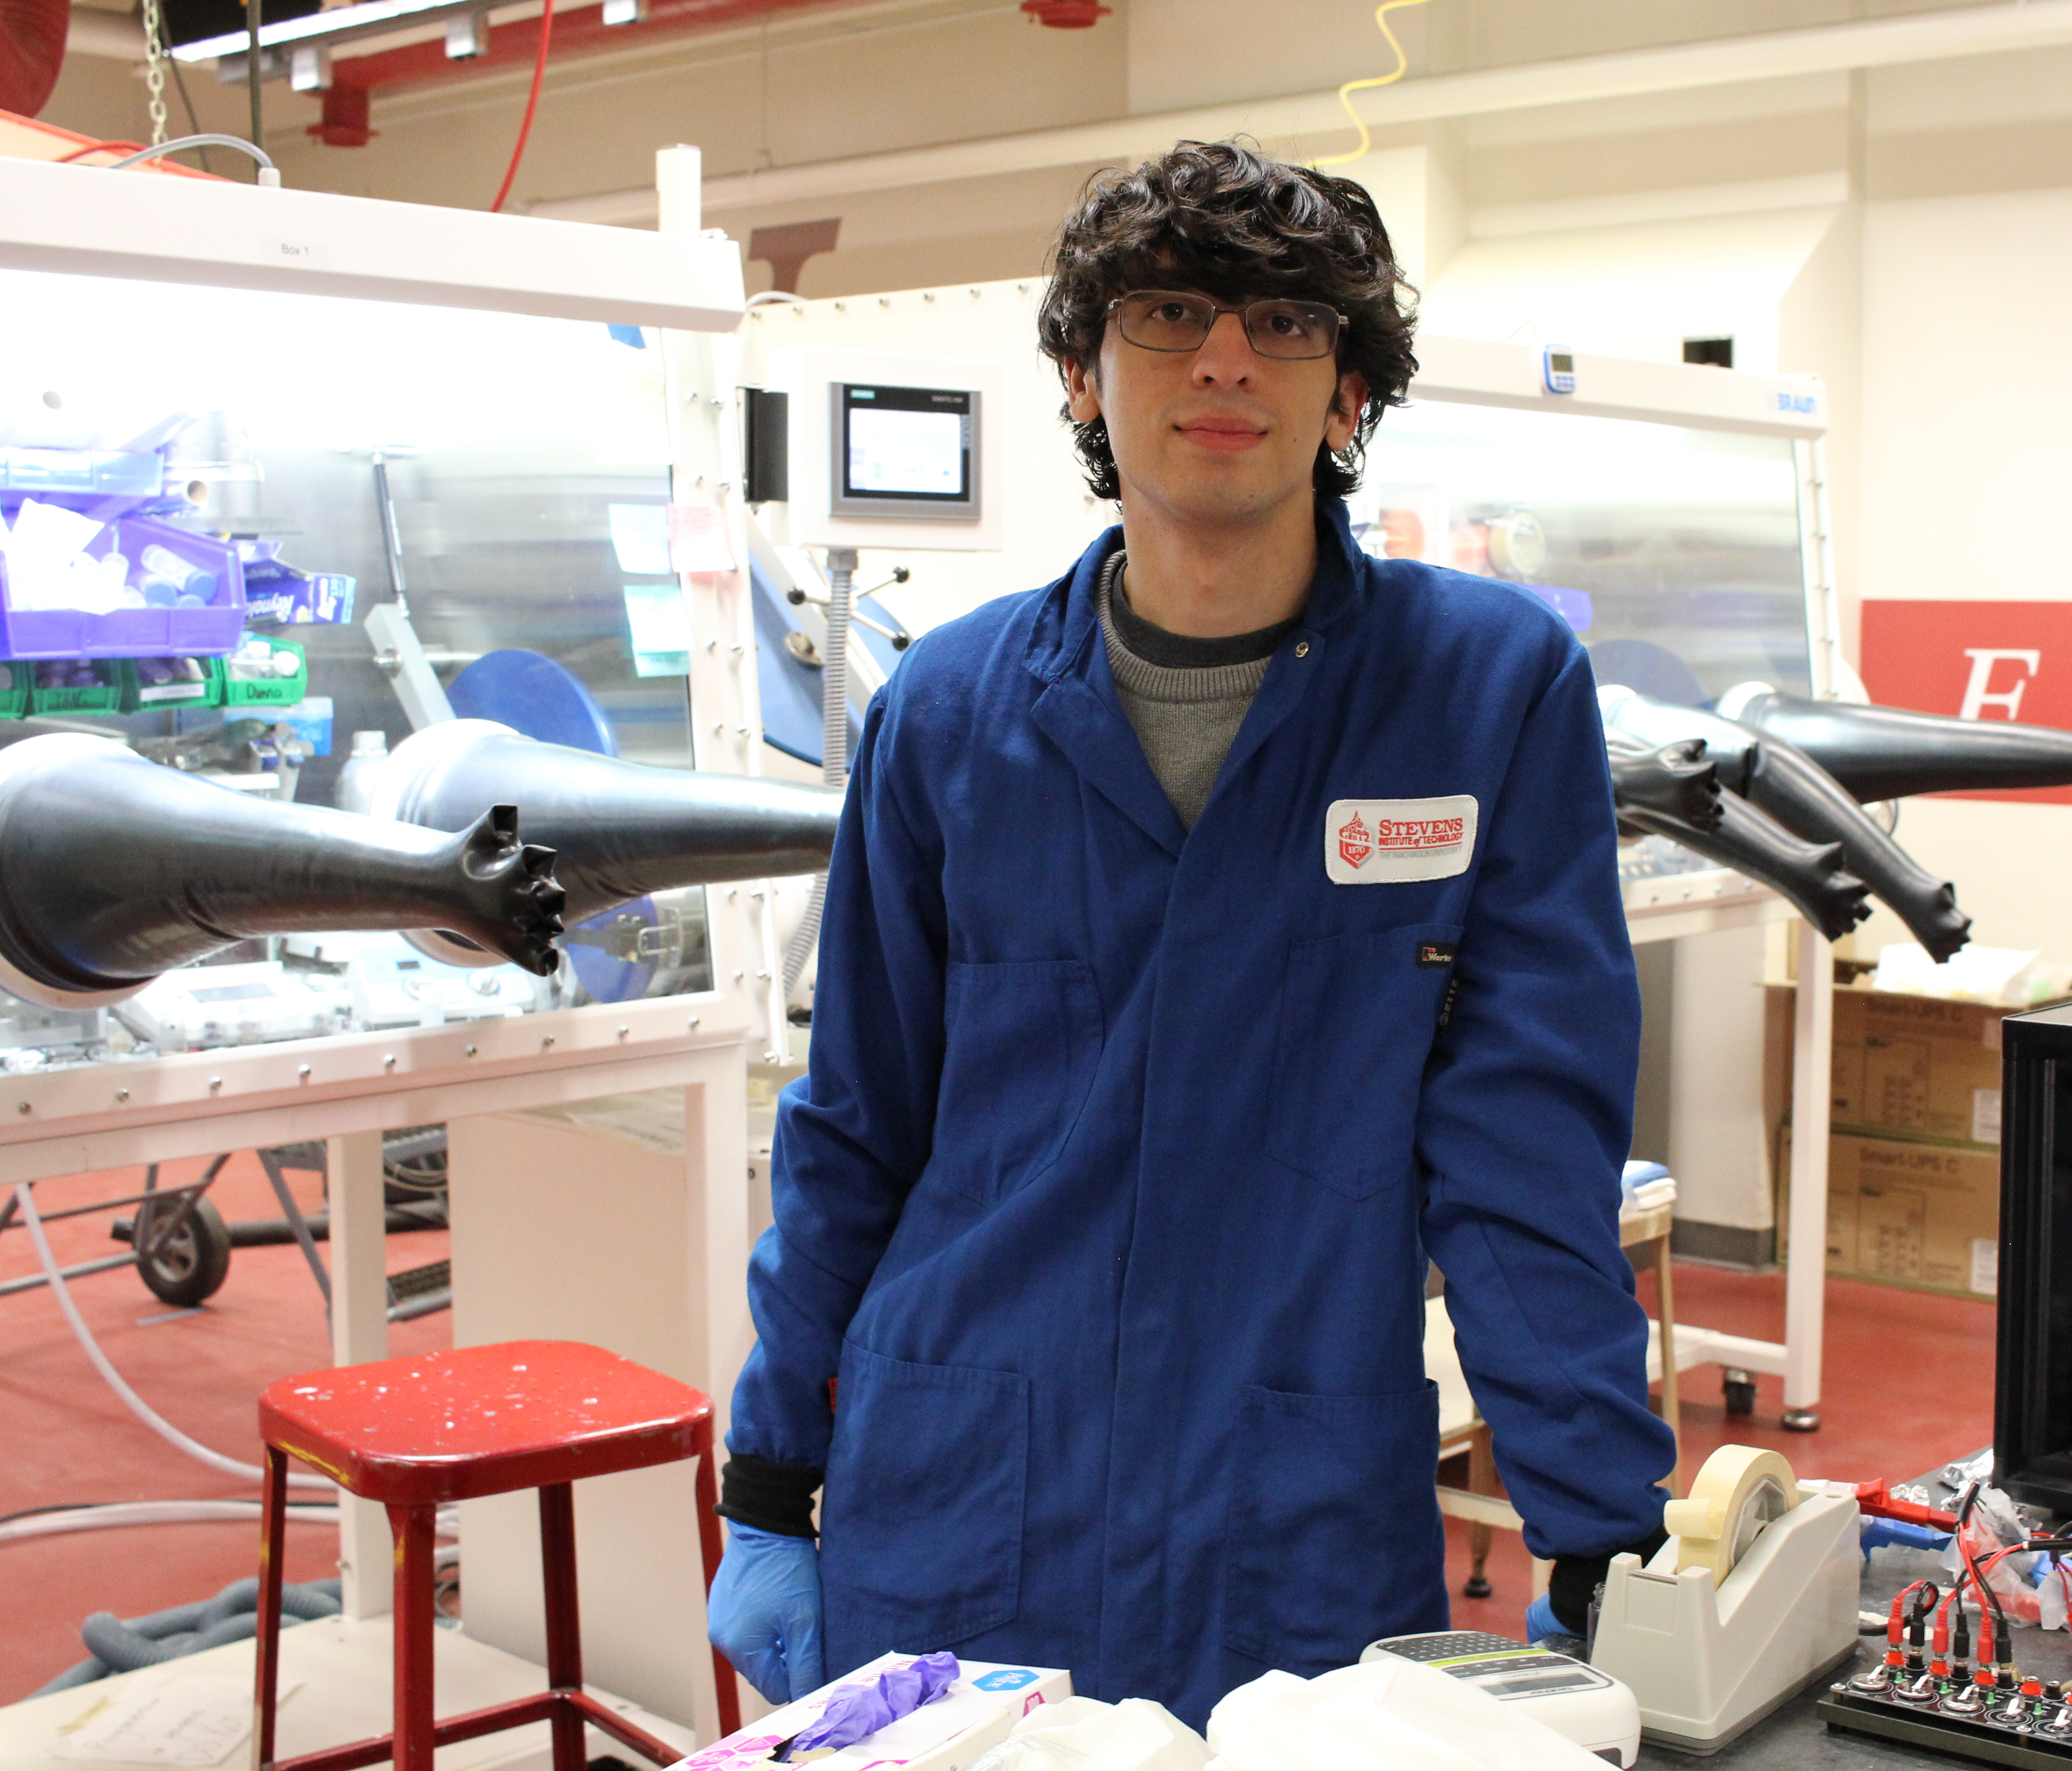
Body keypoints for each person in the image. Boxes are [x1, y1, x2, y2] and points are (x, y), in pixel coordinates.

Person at [705, 137, 1673, 1730]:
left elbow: (1525, 1147)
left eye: (1287, 322)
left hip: (1286, 1505)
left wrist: (1598, 1522)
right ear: (1084, 379)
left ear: (1348, 391)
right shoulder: (947, 712)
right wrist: (769, 1476)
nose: (1225, 357)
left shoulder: (1486, 694)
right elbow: (857, 1126)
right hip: (963, 1481)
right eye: (1166, 312)